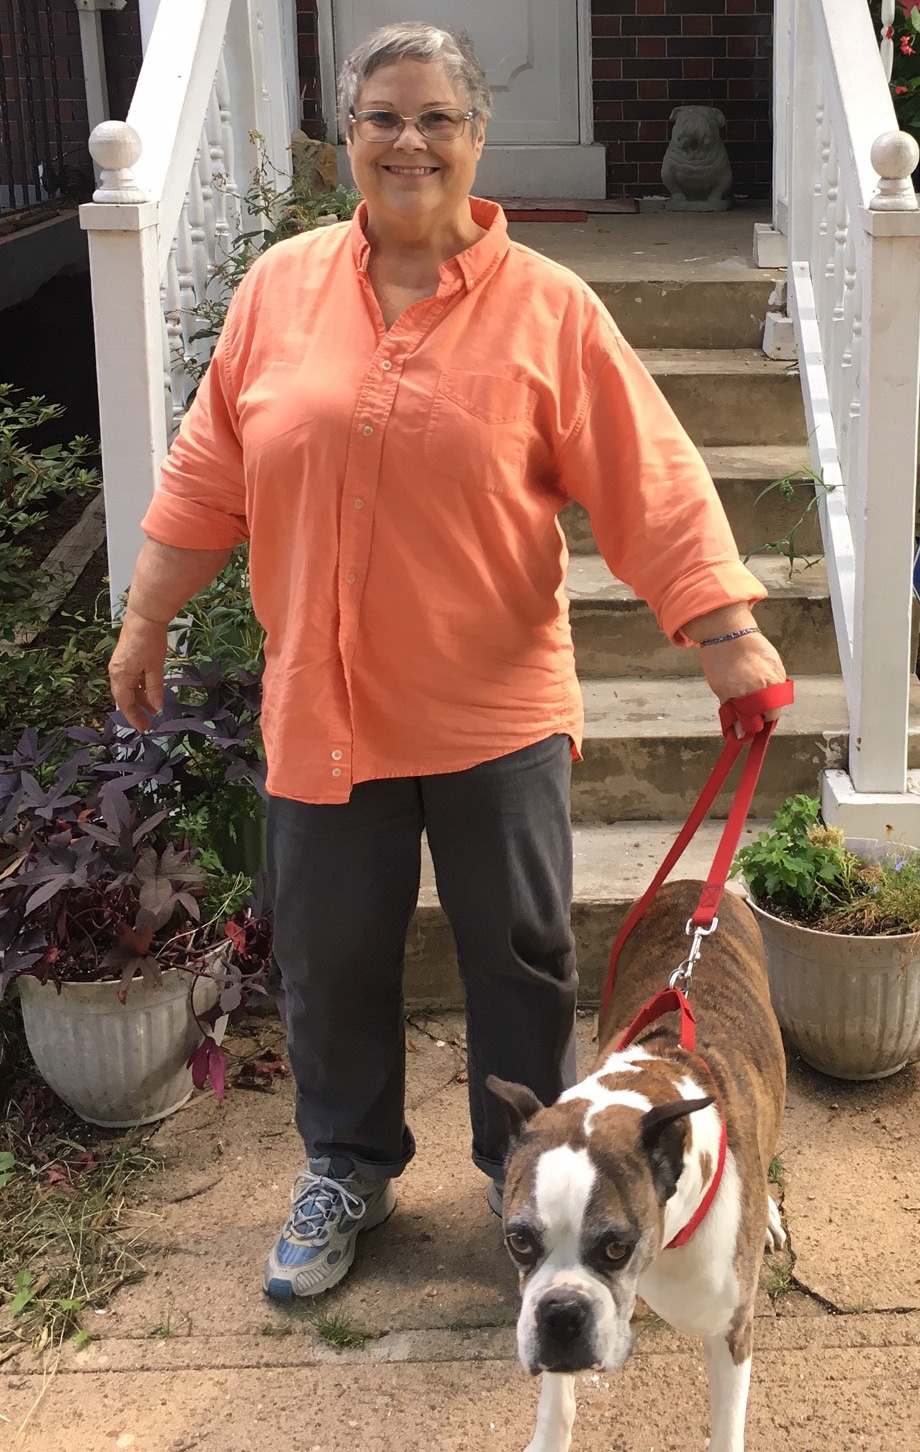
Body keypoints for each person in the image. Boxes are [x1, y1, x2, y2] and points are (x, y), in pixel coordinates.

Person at [108, 21, 789, 1301]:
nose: (405, 140)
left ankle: (520, 1175)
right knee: (328, 958)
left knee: (519, 960)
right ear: (345, 142)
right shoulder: (279, 289)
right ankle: (346, 1165)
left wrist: (725, 629)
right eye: (379, 117)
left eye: (433, 117)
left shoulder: (546, 308)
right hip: (324, 704)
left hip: (495, 709)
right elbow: (209, 470)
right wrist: (146, 616)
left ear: (475, 138)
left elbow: (644, 482)